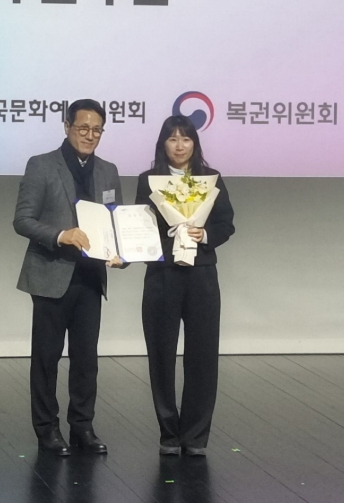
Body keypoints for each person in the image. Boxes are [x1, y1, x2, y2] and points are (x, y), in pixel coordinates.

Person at [13, 99, 123, 456]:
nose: (90, 136)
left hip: (91, 277)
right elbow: (23, 220)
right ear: (66, 126)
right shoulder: (42, 165)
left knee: (86, 359)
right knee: (46, 358)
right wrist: (62, 235)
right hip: (52, 273)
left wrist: (122, 253)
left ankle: (82, 426)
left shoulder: (108, 170)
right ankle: (46, 429)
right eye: (83, 128)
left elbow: (116, 223)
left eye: (97, 130)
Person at [135, 115, 235, 456]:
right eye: (172, 139)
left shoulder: (211, 178)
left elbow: (226, 224)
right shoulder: (148, 180)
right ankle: (168, 433)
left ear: (195, 143)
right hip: (162, 274)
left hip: (201, 275)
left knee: (202, 355)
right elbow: (141, 225)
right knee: (160, 354)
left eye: (186, 139)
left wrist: (202, 234)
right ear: (163, 143)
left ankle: (195, 436)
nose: (179, 146)